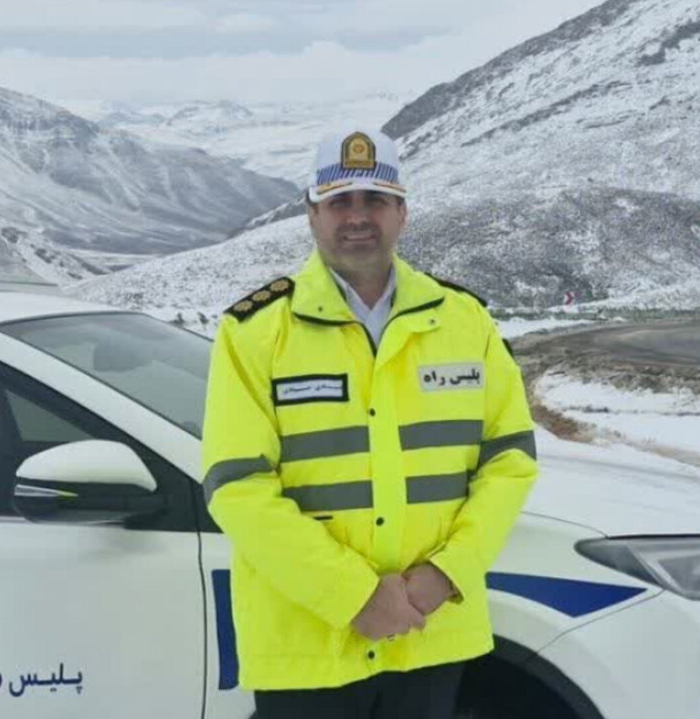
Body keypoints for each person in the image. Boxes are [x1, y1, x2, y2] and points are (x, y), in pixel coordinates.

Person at [201, 127, 538, 719]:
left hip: (430, 633)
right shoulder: (254, 332)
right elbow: (237, 487)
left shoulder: (464, 321)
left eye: (375, 200)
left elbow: (509, 462)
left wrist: (445, 573)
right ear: (311, 215)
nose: (357, 217)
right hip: (308, 647)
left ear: (402, 213)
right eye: (339, 202)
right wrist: (353, 596)